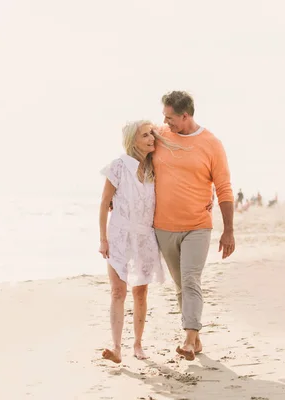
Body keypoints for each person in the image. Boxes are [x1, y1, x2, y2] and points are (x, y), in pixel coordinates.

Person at [153, 91, 236, 361]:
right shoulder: (158, 134)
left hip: (197, 226)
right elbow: (133, 154)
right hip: (163, 227)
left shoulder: (211, 144)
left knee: (190, 280)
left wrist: (229, 230)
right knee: (180, 285)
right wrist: (113, 196)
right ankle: (196, 340)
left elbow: (223, 188)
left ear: (185, 116)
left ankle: (188, 339)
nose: (165, 122)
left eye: (170, 117)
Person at [98, 120, 183, 363]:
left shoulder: (156, 167)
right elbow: (105, 202)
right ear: (132, 140)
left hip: (145, 236)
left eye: (152, 134)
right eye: (145, 135)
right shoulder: (118, 166)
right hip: (119, 234)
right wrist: (103, 238)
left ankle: (137, 344)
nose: (151, 139)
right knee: (117, 291)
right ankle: (116, 348)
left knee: (141, 292)